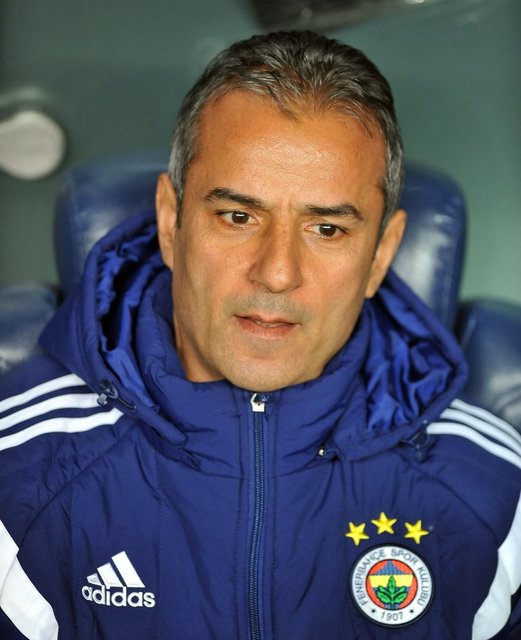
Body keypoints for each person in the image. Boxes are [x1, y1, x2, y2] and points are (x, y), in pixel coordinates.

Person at [0, 30, 520, 640]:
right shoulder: (21, 468)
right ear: (170, 222)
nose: (277, 272)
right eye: (238, 216)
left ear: (382, 254)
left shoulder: (494, 491)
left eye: (327, 229)